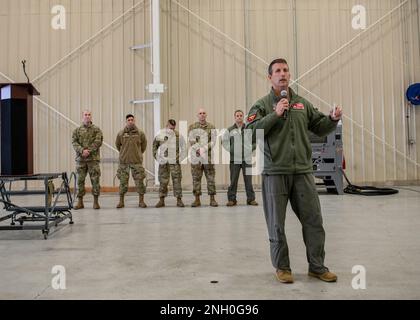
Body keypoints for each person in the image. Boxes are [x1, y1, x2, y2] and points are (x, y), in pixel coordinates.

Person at [246, 58, 342, 283]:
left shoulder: (301, 103)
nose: (282, 74)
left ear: (289, 75)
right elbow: (250, 132)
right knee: (276, 224)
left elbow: (319, 126)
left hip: (302, 173)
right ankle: (282, 268)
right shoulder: (261, 105)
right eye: (277, 71)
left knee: (314, 221)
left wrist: (332, 119)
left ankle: (317, 267)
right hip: (275, 173)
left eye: (286, 70)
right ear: (269, 77)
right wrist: (275, 114)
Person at [222, 110, 258, 206]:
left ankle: (251, 199)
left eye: (241, 115)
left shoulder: (249, 129)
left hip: (247, 158)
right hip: (235, 159)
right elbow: (224, 142)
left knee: (248, 180)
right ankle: (232, 199)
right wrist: (232, 149)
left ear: (243, 117)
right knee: (233, 180)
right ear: (234, 117)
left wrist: (250, 149)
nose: (239, 117)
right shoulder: (230, 130)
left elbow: (255, 141)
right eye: (237, 115)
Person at [72, 110, 103, 210]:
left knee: (95, 180)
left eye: (89, 114)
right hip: (81, 160)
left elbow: (98, 141)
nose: (87, 116)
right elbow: (74, 142)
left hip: (93, 159)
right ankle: (80, 202)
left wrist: (88, 151)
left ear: (91, 117)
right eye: (85, 115)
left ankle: (96, 202)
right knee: (80, 181)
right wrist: (82, 150)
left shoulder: (96, 129)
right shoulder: (77, 130)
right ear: (82, 117)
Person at [115, 114, 148, 208]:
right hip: (124, 162)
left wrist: (138, 154)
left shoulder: (140, 133)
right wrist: (123, 154)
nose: (130, 121)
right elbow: (118, 145)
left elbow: (144, 145)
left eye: (132, 120)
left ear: (134, 121)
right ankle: (121, 202)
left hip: (136, 162)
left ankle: (141, 201)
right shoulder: (121, 133)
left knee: (140, 182)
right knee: (123, 182)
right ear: (126, 121)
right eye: (128, 120)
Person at [188, 108, 218, 207]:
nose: (202, 115)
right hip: (196, 157)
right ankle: (197, 199)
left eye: (204, 113)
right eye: (200, 113)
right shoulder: (192, 127)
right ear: (197, 115)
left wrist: (204, 149)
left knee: (210, 178)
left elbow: (213, 141)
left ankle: (212, 199)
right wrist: (198, 149)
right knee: (196, 178)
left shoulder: (211, 127)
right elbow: (191, 140)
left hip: (208, 157)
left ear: (206, 115)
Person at [152, 119, 186, 208]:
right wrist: (158, 158)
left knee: (177, 181)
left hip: (175, 162)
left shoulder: (178, 135)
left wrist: (179, 159)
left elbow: (184, 148)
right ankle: (161, 200)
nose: (172, 130)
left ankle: (179, 200)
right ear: (167, 126)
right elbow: (154, 147)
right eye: (170, 128)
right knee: (163, 181)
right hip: (164, 162)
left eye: (173, 128)